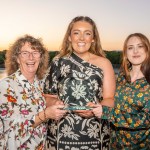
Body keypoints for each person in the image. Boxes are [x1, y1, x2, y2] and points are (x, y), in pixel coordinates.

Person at [44, 16, 116, 149]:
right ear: (70, 37)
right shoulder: (57, 62)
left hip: (95, 135)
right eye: (76, 33)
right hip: (60, 135)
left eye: (87, 33)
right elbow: (48, 97)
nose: (81, 38)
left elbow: (110, 99)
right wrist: (56, 104)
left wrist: (95, 110)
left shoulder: (104, 63)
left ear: (93, 38)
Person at [0, 35, 66, 149]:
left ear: (40, 58)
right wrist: (46, 114)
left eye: (35, 52)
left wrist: (56, 103)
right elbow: (12, 132)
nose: (31, 57)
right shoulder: (6, 86)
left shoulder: (39, 84)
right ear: (17, 58)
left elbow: (46, 100)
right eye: (25, 53)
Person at [92, 33, 150, 149]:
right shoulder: (122, 76)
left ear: (147, 49)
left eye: (140, 46)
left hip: (140, 146)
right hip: (115, 144)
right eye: (130, 47)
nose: (135, 51)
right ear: (125, 53)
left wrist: (107, 113)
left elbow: (146, 119)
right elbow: (112, 98)